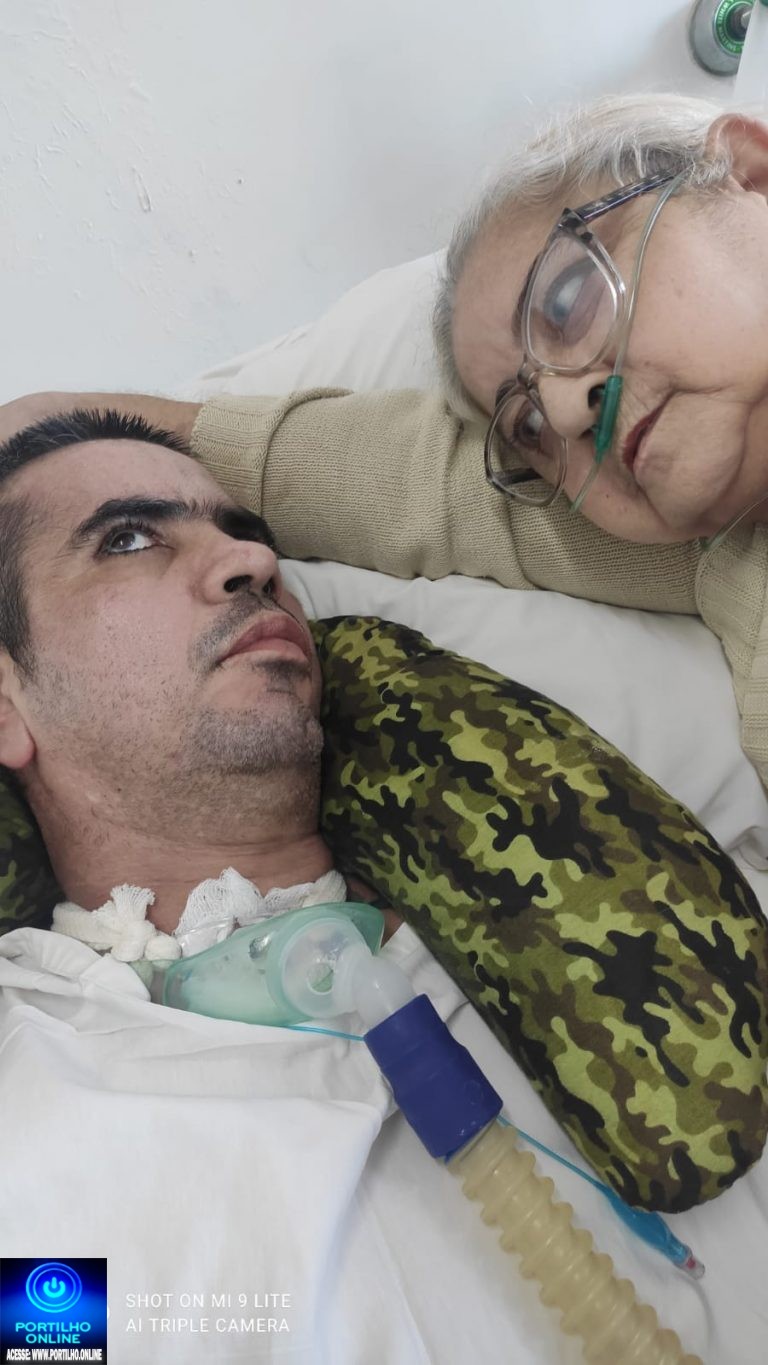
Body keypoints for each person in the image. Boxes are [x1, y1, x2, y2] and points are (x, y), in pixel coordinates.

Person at [3, 95, 768, 787]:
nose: (567, 410)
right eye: (528, 428)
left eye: (567, 301)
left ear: (751, 172)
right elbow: (399, 484)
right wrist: (44, 419)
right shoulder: (712, 552)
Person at [0, 406, 403, 945]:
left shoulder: (495, 943)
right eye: (127, 540)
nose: (255, 559)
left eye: (246, 534)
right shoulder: (29, 1003)